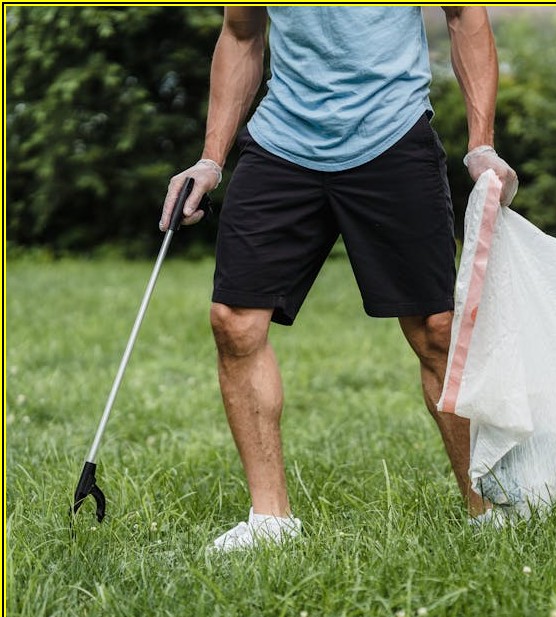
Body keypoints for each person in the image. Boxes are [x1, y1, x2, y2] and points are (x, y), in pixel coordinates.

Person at [160, 6, 518, 552]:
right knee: (234, 321)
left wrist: (481, 144)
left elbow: (466, 17)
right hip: (283, 142)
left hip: (392, 135)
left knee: (435, 329)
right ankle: (270, 521)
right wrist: (210, 161)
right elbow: (240, 33)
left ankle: (486, 509)